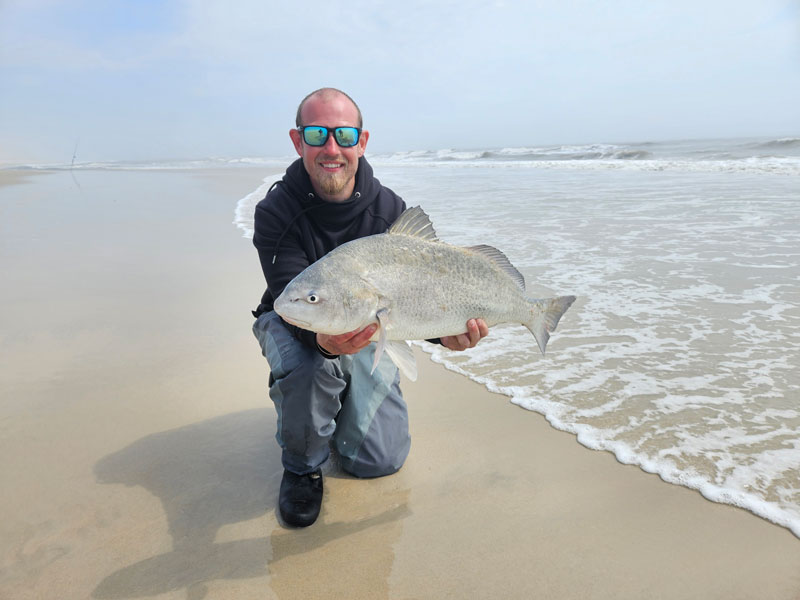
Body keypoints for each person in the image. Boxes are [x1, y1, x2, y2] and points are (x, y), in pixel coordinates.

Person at [252, 88, 488, 527]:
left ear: (361, 141)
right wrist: (322, 345)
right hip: (295, 320)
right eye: (317, 133)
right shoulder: (276, 211)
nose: (331, 148)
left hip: (372, 325)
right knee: (309, 367)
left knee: (378, 461)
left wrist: (447, 334)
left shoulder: (389, 212)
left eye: (343, 135)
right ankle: (302, 465)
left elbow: (418, 297)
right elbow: (291, 298)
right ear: (297, 140)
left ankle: (337, 407)